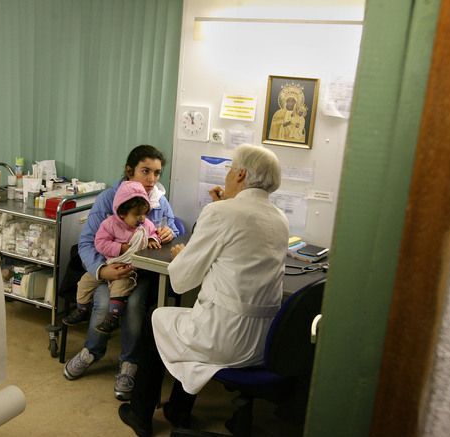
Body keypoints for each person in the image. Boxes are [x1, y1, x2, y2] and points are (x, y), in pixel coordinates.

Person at [117, 144, 289, 436]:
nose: (226, 176)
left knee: (156, 320)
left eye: (230, 170)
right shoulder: (280, 219)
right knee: (188, 323)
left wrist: (183, 254)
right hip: (262, 343)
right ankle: (177, 410)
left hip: (224, 338)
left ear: (241, 174)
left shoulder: (221, 213)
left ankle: (140, 414)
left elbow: (181, 280)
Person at [64, 145, 180, 402]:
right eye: (145, 171)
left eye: (157, 173)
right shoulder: (109, 199)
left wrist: (169, 232)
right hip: (109, 268)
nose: (151, 180)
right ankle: (91, 351)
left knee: (136, 303)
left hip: (138, 273)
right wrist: (102, 270)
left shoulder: (159, 200)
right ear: (130, 171)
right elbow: (86, 242)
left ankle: (129, 364)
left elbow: (171, 226)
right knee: (103, 301)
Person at [62, 180, 162, 334]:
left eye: (144, 213)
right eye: (137, 215)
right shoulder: (109, 224)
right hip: (106, 264)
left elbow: (154, 232)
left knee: (120, 288)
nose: (142, 218)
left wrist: (152, 239)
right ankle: (81, 310)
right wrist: (120, 248)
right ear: (122, 213)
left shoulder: (144, 225)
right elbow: (100, 243)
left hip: (127, 269)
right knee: (84, 283)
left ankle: (113, 317)